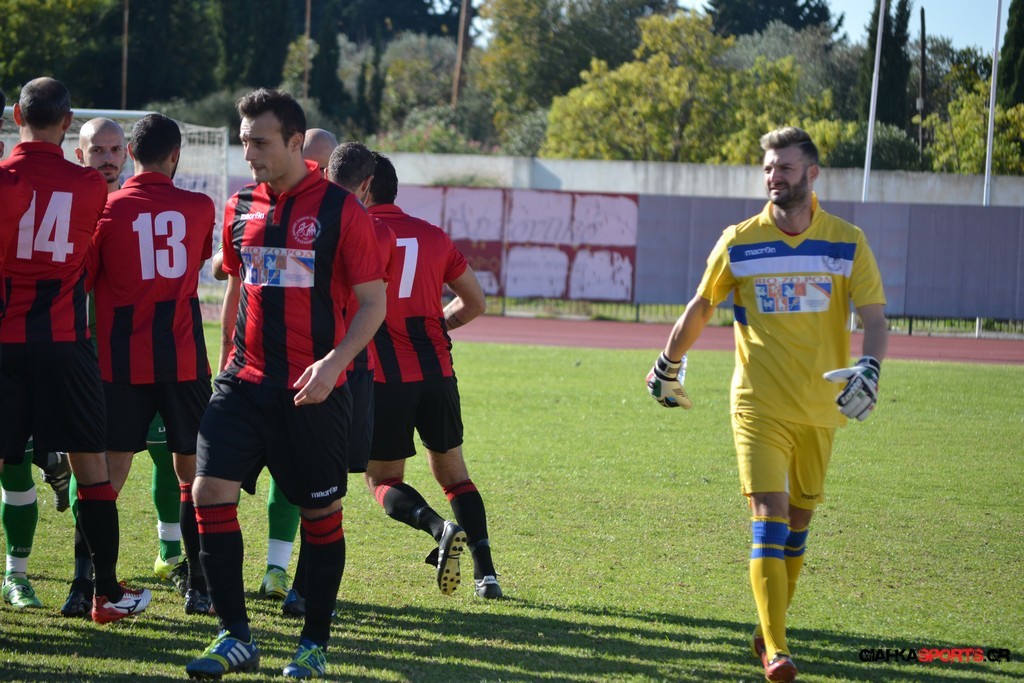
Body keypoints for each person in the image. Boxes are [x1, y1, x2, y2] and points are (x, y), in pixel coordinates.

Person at [646, 126, 888, 682]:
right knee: (769, 517)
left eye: (785, 167)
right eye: (769, 168)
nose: (774, 176)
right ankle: (776, 650)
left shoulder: (848, 241)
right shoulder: (739, 240)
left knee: (798, 525)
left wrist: (871, 368)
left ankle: (766, 626)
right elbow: (702, 305)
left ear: (812, 173)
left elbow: (875, 318)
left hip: (821, 410)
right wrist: (667, 362)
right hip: (757, 404)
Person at [185, 88, 386, 680]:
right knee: (207, 493)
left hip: (312, 390)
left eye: (261, 141)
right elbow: (237, 286)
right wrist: (225, 360)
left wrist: (334, 364)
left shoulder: (341, 210)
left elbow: (373, 304)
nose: (249, 153)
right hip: (243, 383)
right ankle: (235, 636)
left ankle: (313, 644)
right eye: (244, 141)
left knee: (320, 515)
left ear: (296, 142)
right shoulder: (238, 205)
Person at [0, 77, 151, 623]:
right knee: (91, 468)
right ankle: (104, 593)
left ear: (17, 116)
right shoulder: (89, 185)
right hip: (65, 342)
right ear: (68, 124)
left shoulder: (3, 178)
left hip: (4, 341)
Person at [86, 113, 216, 617]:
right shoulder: (200, 206)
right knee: (193, 474)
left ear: (130, 154)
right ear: (176, 155)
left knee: (104, 479)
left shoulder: (105, 210)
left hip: (119, 362)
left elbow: (88, 280)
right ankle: (200, 587)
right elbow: (196, 261)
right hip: (182, 359)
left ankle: (89, 586)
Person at [59, 117, 190, 617]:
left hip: (149, 355)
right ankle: (83, 578)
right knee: (96, 471)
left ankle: (172, 555)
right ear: (80, 154)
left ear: (129, 154)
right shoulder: (78, 208)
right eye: (99, 150)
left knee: (168, 457)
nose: (108, 158)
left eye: (116, 149)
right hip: (92, 358)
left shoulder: (131, 207)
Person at [362, 151, 502, 599]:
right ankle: (487, 576)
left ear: (363, 187)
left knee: (381, 479)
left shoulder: (359, 232)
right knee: (454, 474)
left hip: (386, 379)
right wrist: (440, 324)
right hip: (438, 372)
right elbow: (476, 303)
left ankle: (439, 528)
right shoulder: (433, 236)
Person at [273, 141, 397, 618]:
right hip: (348, 370)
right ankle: (304, 589)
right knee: (327, 489)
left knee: (215, 482)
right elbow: (373, 305)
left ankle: (214, 580)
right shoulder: (374, 230)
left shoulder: (300, 218)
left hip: (282, 362)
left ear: (324, 173)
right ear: (367, 185)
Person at [256, 126, 340, 605]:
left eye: (325, 166)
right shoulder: (266, 208)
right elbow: (227, 266)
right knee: (212, 480)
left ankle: (285, 574)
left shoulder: (341, 213)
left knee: (311, 485)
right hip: (260, 371)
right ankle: (201, 575)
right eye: (313, 164)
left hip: (325, 373)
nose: (317, 173)